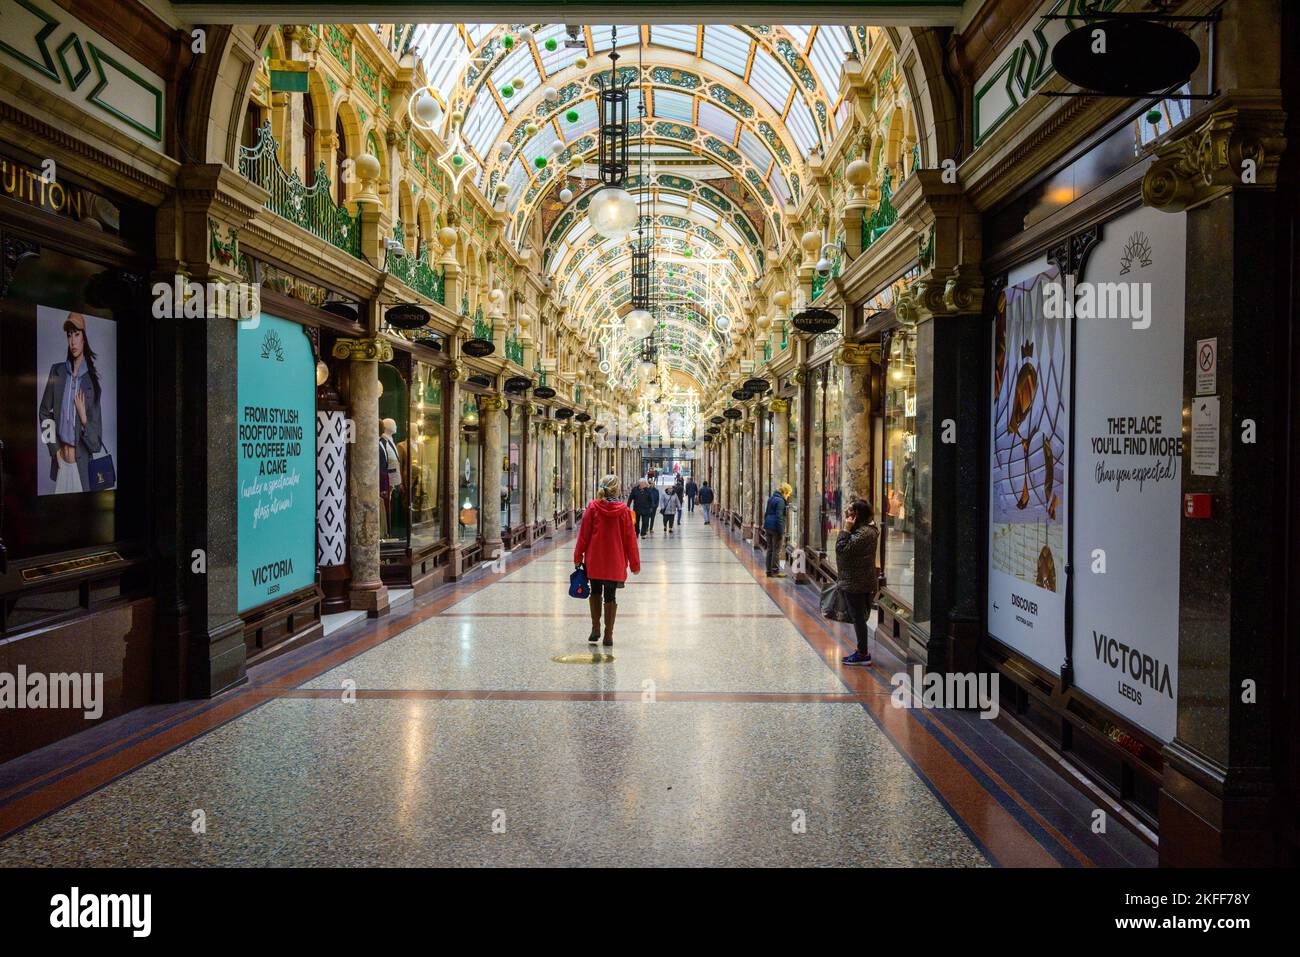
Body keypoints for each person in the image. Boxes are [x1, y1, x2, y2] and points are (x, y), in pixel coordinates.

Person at [38, 312, 104, 494]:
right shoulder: (57, 371)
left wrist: (83, 419)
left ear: (84, 338)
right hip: (60, 466)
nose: (73, 342)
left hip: (81, 470)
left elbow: (96, 444)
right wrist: (54, 450)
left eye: (77, 335)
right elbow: (43, 412)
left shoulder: (91, 383)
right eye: (69, 335)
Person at [575, 474, 640, 646]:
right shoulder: (625, 512)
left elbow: (584, 535)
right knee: (610, 596)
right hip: (615, 562)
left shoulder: (593, 507)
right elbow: (630, 540)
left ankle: (595, 627)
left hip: (595, 561)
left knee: (595, 592)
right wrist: (634, 564)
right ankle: (608, 635)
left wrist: (578, 556)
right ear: (617, 489)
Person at [838, 499, 880, 666]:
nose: (848, 516)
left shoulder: (864, 534)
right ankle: (862, 650)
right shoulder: (866, 531)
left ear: (858, 515)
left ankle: (863, 653)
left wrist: (846, 529)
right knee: (858, 617)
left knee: (858, 618)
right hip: (857, 579)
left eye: (851, 513)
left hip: (857, 582)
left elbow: (842, 550)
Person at [763, 483, 792, 576]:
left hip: (768, 526)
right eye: (788, 494)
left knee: (770, 549)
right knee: (776, 550)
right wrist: (781, 531)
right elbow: (779, 517)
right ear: (785, 492)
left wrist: (766, 525)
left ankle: (768, 571)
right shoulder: (780, 501)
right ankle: (775, 571)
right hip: (776, 528)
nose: (788, 496)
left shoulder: (771, 498)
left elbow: (766, 513)